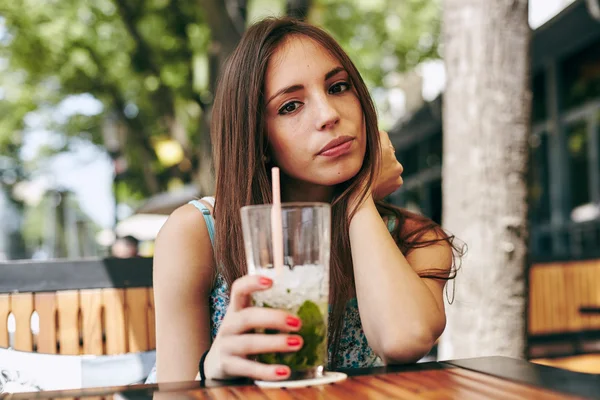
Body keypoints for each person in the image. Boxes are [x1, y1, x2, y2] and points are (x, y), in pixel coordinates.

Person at [147, 17, 461, 384]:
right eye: (290, 106)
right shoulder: (198, 233)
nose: (329, 115)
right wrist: (211, 367)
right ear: (258, 138)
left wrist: (359, 200)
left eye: (339, 87)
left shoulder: (414, 239)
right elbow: (171, 393)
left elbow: (402, 340)